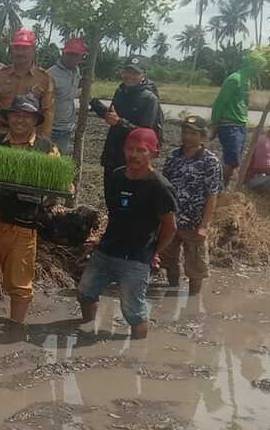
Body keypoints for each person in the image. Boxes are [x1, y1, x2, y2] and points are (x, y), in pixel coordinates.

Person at [0, 95, 62, 323]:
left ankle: (15, 325)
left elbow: (62, 182)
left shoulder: (47, 149)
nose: (20, 120)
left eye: (27, 116)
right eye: (16, 115)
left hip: (23, 223)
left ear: (35, 120)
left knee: (20, 280)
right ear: (8, 118)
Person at [77, 128, 177, 340]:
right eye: (130, 149)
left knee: (133, 312)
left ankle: (137, 353)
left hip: (136, 257)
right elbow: (115, 214)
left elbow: (170, 227)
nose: (134, 155)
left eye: (141, 150)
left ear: (154, 154)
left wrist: (154, 251)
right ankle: (85, 329)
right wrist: (98, 238)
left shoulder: (160, 187)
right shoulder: (116, 176)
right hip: (107, 249)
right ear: (124, 150)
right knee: (85, 292)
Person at [162, 116, 223, 296]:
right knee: (169, 260)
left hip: (195, 223)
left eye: (193, 134)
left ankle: (193, 300)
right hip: (172, 220)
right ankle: (172, 292)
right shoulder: (173, 156)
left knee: (196, 265)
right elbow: (164, 188)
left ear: (202, 136)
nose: (187, 137)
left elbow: (212, 195)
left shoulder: (210, 162)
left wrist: (204, 225)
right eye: (185, 132)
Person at [100, 56, 164, 195]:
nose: (130, 76)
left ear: (143, 75)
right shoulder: (120, 91)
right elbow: (113, 115)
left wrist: (119, 122)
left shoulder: (149, 99)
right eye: (128, 72)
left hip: (132, 156)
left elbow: (146, 134)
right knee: (110, 195)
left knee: (128, 197)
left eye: (135, 73)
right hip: (113, 153)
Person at [0, 28, 54, 141]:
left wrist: (43, 141)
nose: (20, 52)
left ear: (34, 50)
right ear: (11, 50)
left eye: (25, 48)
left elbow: (48, 113)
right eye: (16, 48)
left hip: (28, 137)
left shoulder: (44, 79)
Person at [211, 53, 264, 185]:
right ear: (252, 65)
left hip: (240, 125)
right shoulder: (235, 79)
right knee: (231, 160)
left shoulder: (247, 80)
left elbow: (244, 103)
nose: (260, 71)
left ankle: (224, 186)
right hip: (229, 125)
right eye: (259, 67)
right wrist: (214, 126)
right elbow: (219, 103)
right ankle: (219, 188)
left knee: (235, 162)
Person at [47, 37, 86, 155]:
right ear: (63, 53)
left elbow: (71, 92)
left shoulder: (76, 72)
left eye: (76, 55)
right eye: (69, 54)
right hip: (51, 128)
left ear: (81, 57)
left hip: (66, 128)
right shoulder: (50, 74)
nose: (72, 58)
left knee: (60, 163)